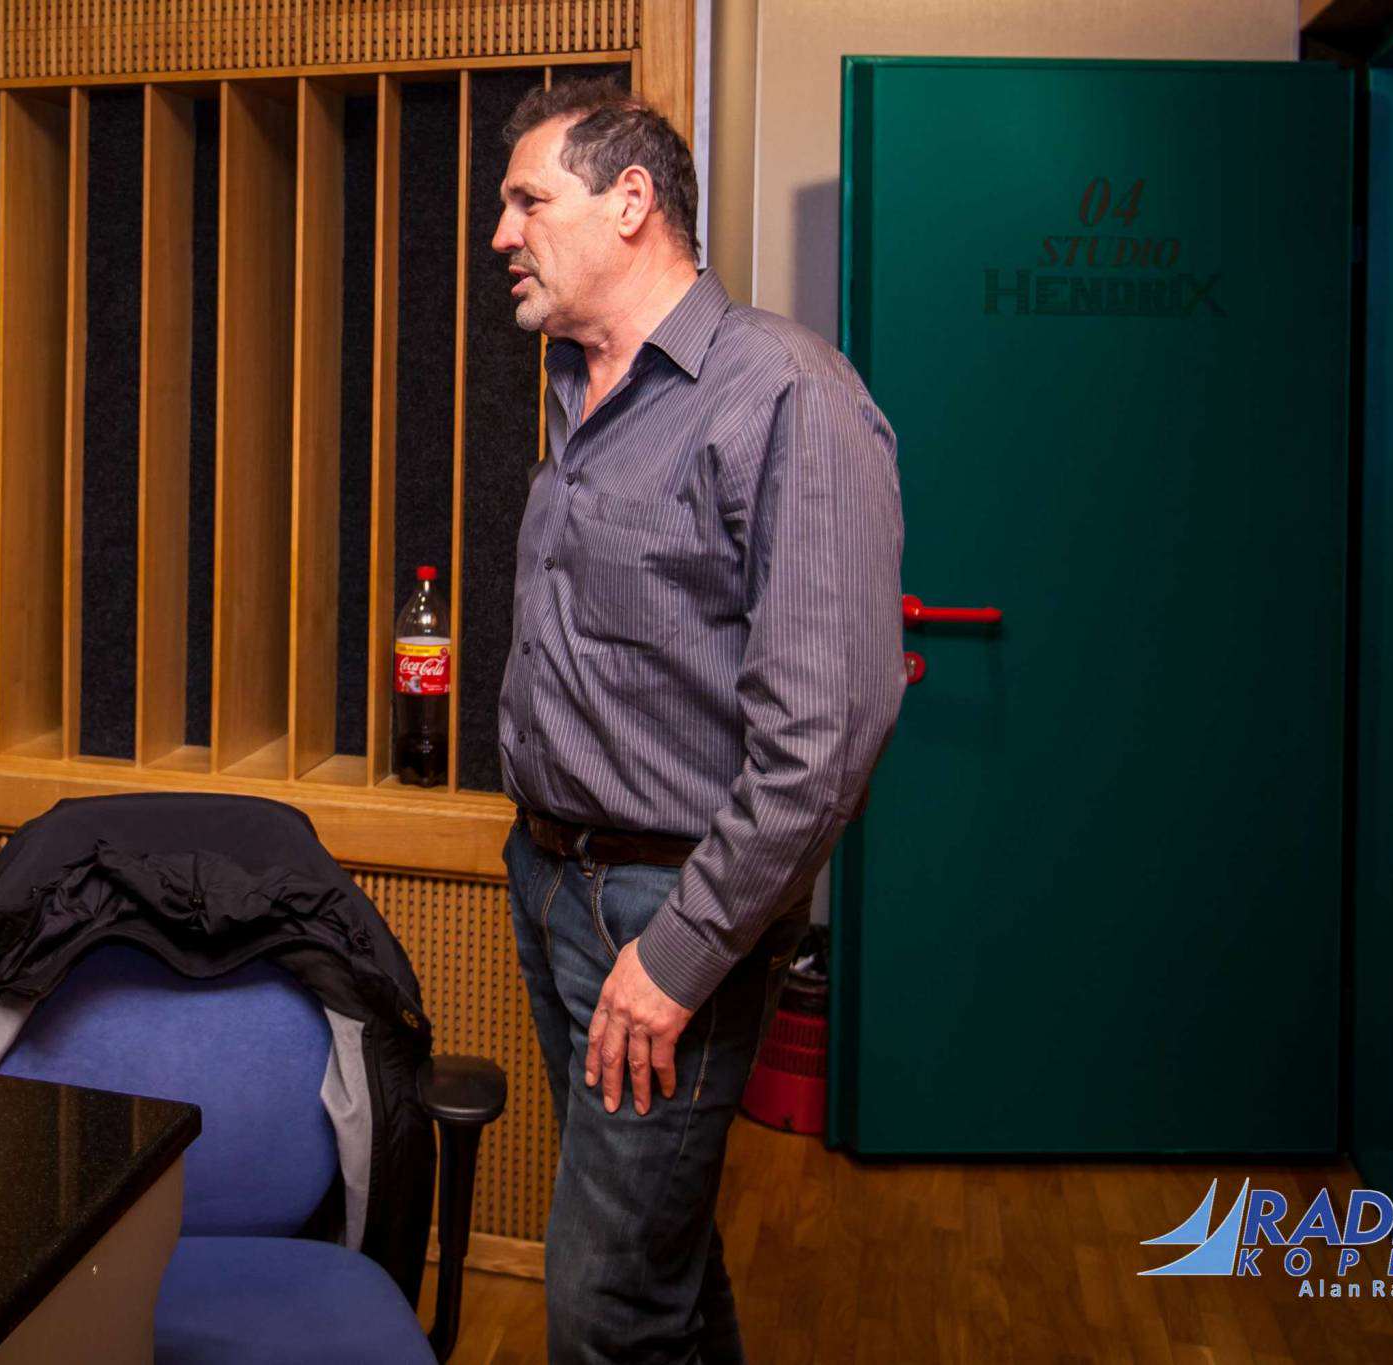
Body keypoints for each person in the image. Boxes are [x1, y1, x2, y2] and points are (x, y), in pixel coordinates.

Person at [490, 78, 906, 1362]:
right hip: (550, 881)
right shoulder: (574, 387)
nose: (501, 235)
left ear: (631, 201)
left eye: (526, 201)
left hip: (670, 909)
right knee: (657, 1261)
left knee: (603, 1302)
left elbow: (822, 741)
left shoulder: (787, 395)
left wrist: (677, 956)